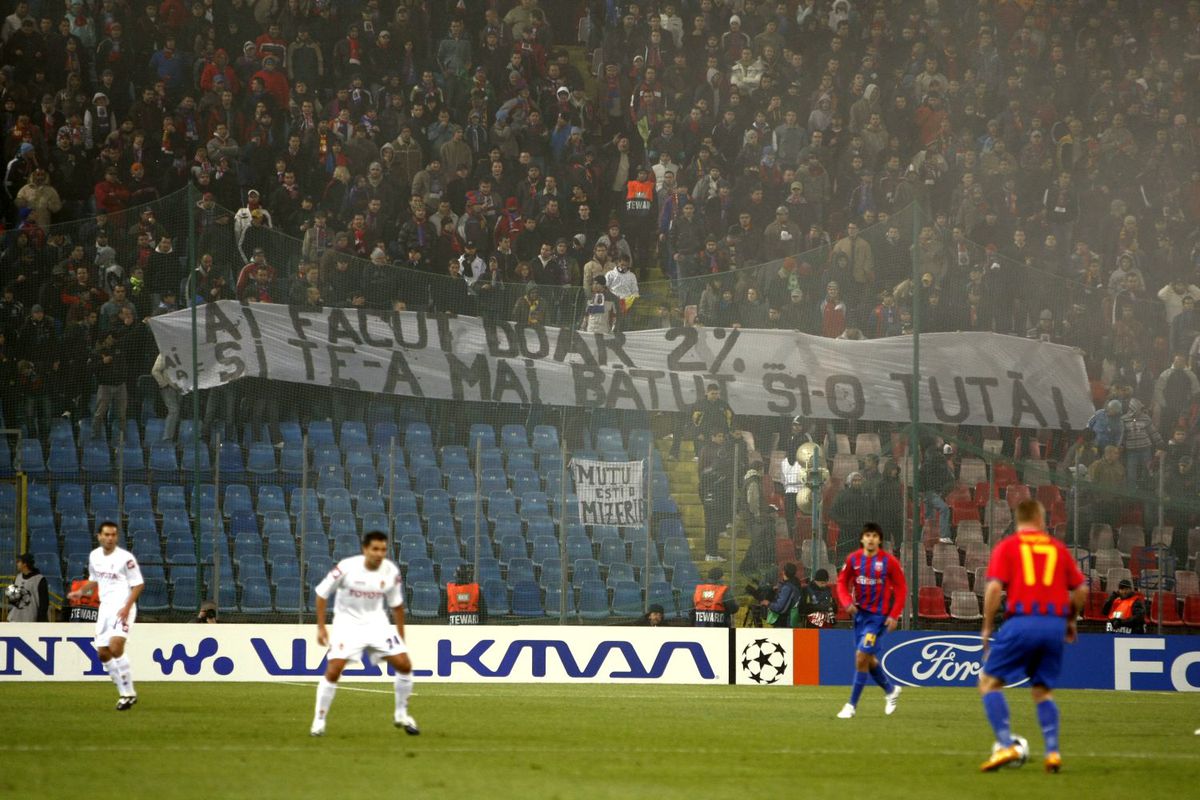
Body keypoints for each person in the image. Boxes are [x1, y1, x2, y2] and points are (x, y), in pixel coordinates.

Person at [978, 500, 1087, 773]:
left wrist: (988, 626)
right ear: (1040, 518)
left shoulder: (1009, 546)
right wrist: (1071, 620)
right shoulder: (1058, 548)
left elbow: (993, 590)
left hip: (1022, 622)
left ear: (1018, 519)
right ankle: (1052, 752)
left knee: (988, 682)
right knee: (1041, 691)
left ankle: (1006, 744)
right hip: (1054, 626)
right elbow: (1081, 589)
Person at [311, 530, 418, 737]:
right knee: (334, 670)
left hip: (376, 623)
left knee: (404, 664)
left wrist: (400, 639)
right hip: (347, 624)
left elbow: (397, 606)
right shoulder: (347, 567)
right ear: (365, 550)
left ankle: (401, 714)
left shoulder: (390, 571)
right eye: (375, 549)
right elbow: (321, 593)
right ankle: (319, 720)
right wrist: (321, 626)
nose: (379, 554)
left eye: (383, 550)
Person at [66, 521, 144, 710]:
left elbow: (138, 584)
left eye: (113, 535)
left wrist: (127, 607)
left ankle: (128, 693)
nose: (110, 538)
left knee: (116, 646)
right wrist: (81, 592)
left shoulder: (126, 558)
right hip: (105, 609)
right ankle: (123, 691)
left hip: (123, 608)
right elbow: (95, 580)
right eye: (107, 535)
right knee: (103, 653)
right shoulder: (94, 556)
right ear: (99, 536)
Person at [835, 522, 906, 719]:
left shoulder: (889, 562)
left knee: (860, 656)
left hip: (878, 619)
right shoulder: (853, 560)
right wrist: (847, 601)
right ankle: (891, 690)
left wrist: (894, 615)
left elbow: (901, 589)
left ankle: (851, 706)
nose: (871, 539)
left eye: (875, 535)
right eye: (868, 535)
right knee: (869, 658)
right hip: (860, 616)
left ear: (880, 540)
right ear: (862, 539)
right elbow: (841, 583)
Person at [7, 552, 48, 622]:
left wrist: (40, 621)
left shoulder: (40, 579)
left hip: (30, 620)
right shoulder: (17, 577)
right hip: (15, 619)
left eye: (19, 562)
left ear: (25, 564)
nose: (17, 564)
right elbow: (12, 599)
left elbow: (44, 604)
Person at [765, 563, 803, 628]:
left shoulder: (788, 587)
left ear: (784, 572)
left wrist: (768, 604)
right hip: (792, 620)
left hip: (784, 623)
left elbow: (780, 608)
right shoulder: (796, 584)